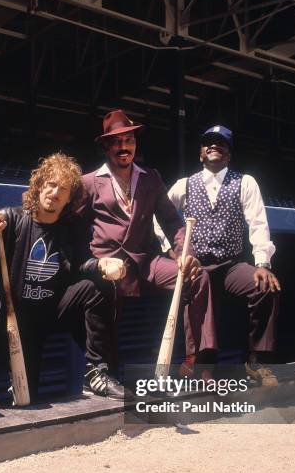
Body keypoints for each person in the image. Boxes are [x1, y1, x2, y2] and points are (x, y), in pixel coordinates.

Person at [0, 152, 130, 401]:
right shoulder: (11, 219)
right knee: (27, 398)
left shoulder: (70, 228)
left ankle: (96, 373)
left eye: (64, 189)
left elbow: (82, 262)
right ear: (39, 185)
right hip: (19, 321)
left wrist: (102, 263)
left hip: (55, 309)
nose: (55, 193)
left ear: (69, 197)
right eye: (51, 184)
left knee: (98, 286)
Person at [80, 109, 216, 372]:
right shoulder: (88, 183)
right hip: (108, 266)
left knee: (198, 276)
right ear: (106, 146)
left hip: (145, 262)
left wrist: (185, 251)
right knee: (103, 302)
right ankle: (106, 373)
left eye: (129, 140)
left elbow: (172, 221)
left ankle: (197, 362)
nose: (124, 147)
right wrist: (92, 263)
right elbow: (75, 228)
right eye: (117, 141)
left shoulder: (150, 178)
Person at [154, 125, 281, 385]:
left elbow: (258, 224)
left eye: (221, 143)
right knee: (196, 281)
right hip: (197, 264)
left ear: (229, 154)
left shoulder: (245, 182)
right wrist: (173, 252)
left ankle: (256, 362)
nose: (214, 146)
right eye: (208, 143)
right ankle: (200, 363)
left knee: (266, 287)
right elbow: (158, 219)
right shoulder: (184, 185)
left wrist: (263, 263)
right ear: (200, 153)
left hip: (230, 266)